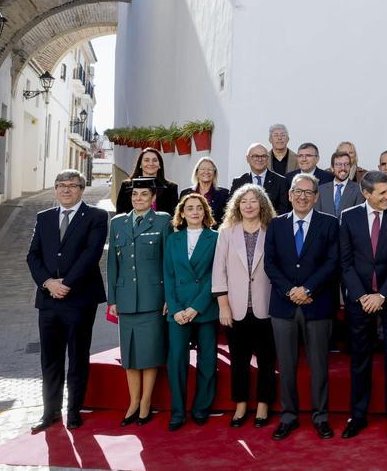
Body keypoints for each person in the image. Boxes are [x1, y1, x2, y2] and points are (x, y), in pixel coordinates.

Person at [27, 170, 107, 433]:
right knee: (50, 359)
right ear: (55, 189)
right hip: (48, 299)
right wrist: (48, 283)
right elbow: (33, 256)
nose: (66, 190)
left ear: (82, 189)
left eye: (72, 185)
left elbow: (91, 254)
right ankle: (50, 412)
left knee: (77, 356)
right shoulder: (44, 217)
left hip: (80, 298)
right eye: (61, 185)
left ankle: (74, 411)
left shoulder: (96, 216)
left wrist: (66, 284)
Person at [264, 173, 340, 441]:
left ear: (316, 197)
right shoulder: (276, 224)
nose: (302, 196)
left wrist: (307, 289)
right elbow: (270, 264)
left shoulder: (329, 223)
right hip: (283, 307)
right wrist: (290, 291)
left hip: (317, 304)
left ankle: (321, 417)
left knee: (319, 366)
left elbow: (332, 262)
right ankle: (288, 416)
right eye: (298, 191)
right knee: (286, 366)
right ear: (289, 195)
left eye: (308, 192)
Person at [339, 171, 387, 440]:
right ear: (366, 193)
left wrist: (381, 295)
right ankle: (358, 416)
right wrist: (362, 296)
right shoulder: (349, 217)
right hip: (359, 300)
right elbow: (345, 262)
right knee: (360, 360)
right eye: (382, 192)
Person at [107, 177, 172, 426]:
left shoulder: (163, 221)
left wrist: (168, 297)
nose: (138, 199)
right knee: (129, 355)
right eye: (135, 195)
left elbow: (168, 262)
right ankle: (133, 402)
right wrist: (112, 299)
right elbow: (112, 264)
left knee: (149, 353)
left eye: (144, 194)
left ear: (153, 198)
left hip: (153, 299)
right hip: (126, 299)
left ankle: (146, 402)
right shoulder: (117, 223)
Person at [212, 184, 277, 429]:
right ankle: (240, 405)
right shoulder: (227, 232)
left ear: (262, 204)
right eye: (243, 201)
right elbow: (219, 271)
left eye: (253, 201)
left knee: (267, 360)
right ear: (237, 206)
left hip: (266, 306)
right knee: (239, 360)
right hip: (235, 307)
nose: (248, 205)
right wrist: (223, 306)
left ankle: (263, 405)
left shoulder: (272, 230)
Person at [163, 194, 219, 431]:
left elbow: (216, 276)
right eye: (189, 208)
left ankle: (201, 408)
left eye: (199, 208)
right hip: (178, 309)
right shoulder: (173, 239)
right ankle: (178, 412)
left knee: (207, 360)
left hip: (204, 307)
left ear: (205, 212)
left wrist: (195, 307)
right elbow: (168, 275)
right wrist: (175, 308)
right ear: (182, 213)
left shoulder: (215, 238)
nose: (195, 212)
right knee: (176, 361)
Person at [116, 148, 180, 216]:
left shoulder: (171, 188)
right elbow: (121, 214)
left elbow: (174, 216)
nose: (151, 163)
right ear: (140, 164)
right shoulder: (127, 185)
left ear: (160, 165)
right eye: (146, 160)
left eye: (155, 160)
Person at [231, 143, 289, 214]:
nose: (260, 159)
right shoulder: (238, 182)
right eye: (255, 156)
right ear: (247, 159)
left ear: (267, 158)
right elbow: (232, 208)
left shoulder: (281, 181)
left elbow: (284, 210)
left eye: (263, 156)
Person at [179, 157, 231, 225]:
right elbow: (180, 217)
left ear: (214, 173)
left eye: (210, 169)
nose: (206, 172)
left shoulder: (224, 194)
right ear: (197, 173)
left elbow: (226, 219)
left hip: (215, 230)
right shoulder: (185, 193)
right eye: (202, 169)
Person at [315, 151, 365, 219]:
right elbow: (317, 217)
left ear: (350, 167)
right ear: (332, 168)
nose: (343, 168)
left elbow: (358, 217)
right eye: (339, 164)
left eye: (346, 164)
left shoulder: (359, 190)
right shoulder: (321, 190)